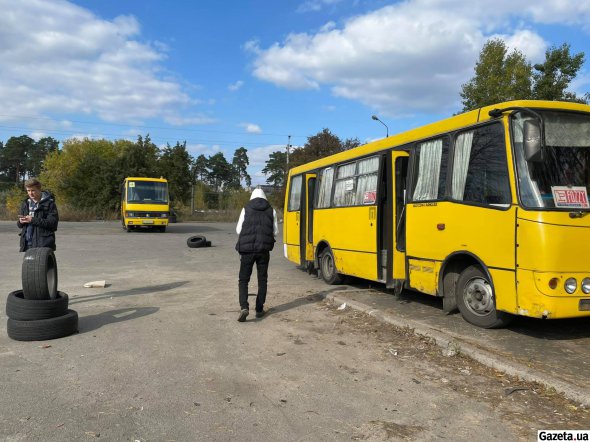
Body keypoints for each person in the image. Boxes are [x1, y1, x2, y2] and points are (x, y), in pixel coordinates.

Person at [235, 188, 278, 322]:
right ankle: (259, 309)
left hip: (247, 251)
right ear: (265, 197)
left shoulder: (246, 208)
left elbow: (238, 230)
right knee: (262, 280)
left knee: (243, 279)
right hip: (263, 251)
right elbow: (275, 232)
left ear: (252, 197)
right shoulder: (272, 210)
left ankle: (244, 307)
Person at [17, 178, 59, 252]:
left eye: (33, 190)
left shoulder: (50, 204)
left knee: (44, 264)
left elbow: (53, 224)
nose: (30, 193)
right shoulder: (25, 203)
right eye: (28, 191)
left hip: (43, 244)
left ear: (39, 189)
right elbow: (20, 226)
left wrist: (32, 220)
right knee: (28, 264)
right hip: (27, 244)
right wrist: (21, 222)